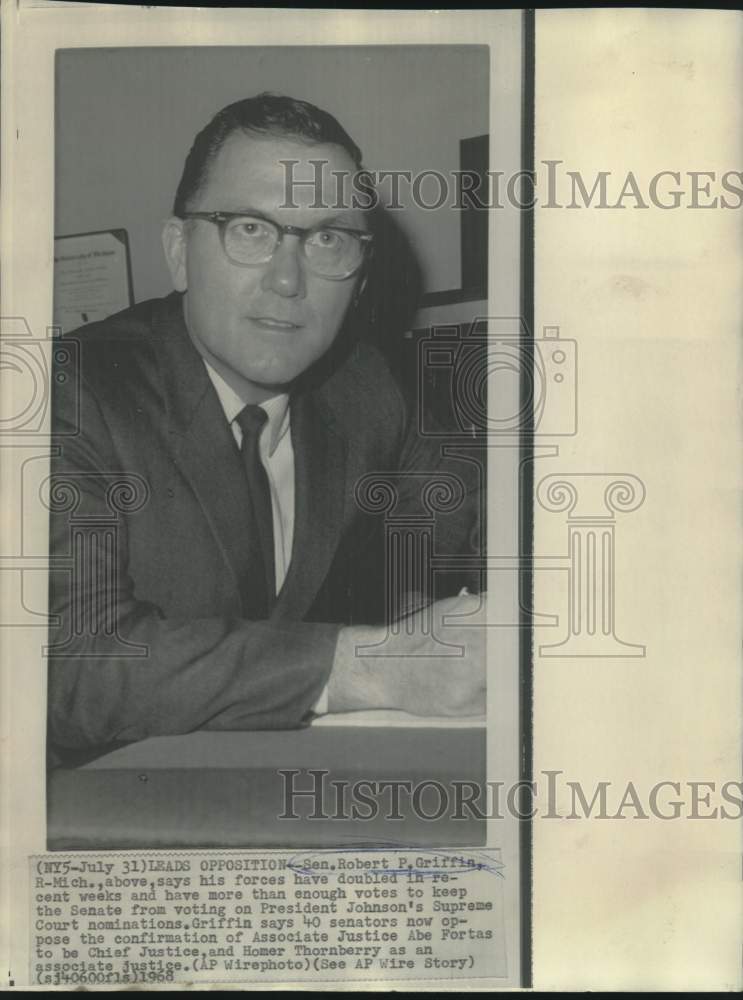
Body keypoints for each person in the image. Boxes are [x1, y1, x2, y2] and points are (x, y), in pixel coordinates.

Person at [47, 94, 485, 761]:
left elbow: (500, 530)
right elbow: (68, 662)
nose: (287, 280)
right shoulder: (67, 393)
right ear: (179, 251)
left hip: (279, 785)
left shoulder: (368, 386)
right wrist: (368, 664)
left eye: (328, 238)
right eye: (250, 229)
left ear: (361, 278)